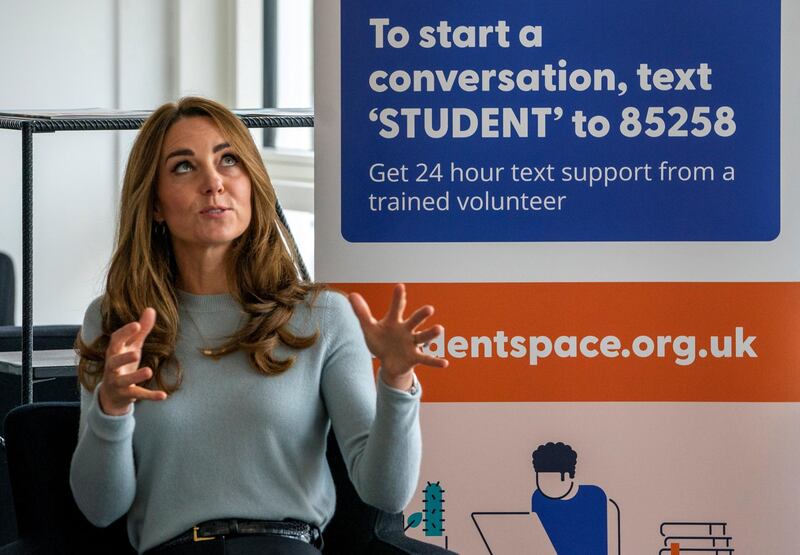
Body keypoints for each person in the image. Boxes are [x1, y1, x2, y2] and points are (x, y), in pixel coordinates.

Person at [69, 96, 447, 555]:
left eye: (229, 160)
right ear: (154, 206)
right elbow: (100, 509)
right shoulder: (115, 321)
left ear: (252, 182)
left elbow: (385, 493)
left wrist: (396, 379)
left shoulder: (322, 315)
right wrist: (110, 407)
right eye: (184, 167)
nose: (214, 183)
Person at [530, 442, 621, 555]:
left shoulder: (596, 498)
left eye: (550, 478)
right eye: (540, 478)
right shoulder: (538, 499)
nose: (545, 485)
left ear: (567, 475)